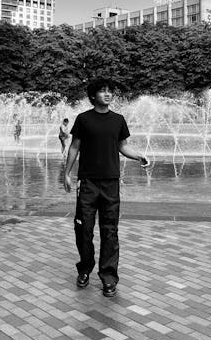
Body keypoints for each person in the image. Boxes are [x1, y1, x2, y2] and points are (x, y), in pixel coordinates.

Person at [63, 77, 149, 298]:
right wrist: (67, 174)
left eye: (110, 91)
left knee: (110, 231)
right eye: (102, 91)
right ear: (93, 96)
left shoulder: (118, 120)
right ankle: (84, 268)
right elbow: (74, 147)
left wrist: (138, 156)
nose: (108, 94)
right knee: (84, 229)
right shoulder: (83, 119)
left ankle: (109, 278)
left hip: (111, 183)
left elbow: (123, 146)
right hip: (88, 183)